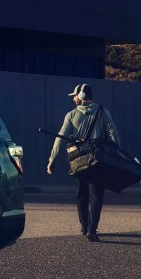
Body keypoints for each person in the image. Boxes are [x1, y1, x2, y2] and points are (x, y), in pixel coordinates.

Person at [46, 83, 120, 242]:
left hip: (79, 161)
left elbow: (60, 137)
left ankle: (84, 226)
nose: (73, 99)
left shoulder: (71, 115)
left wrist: (52, 159)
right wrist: (117, 154)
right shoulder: (102, 111)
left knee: (81, 194)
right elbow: (113, 132)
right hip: (98, 161)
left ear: (81, 97)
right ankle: (92, 230)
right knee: (96, 195)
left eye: (75, 96)